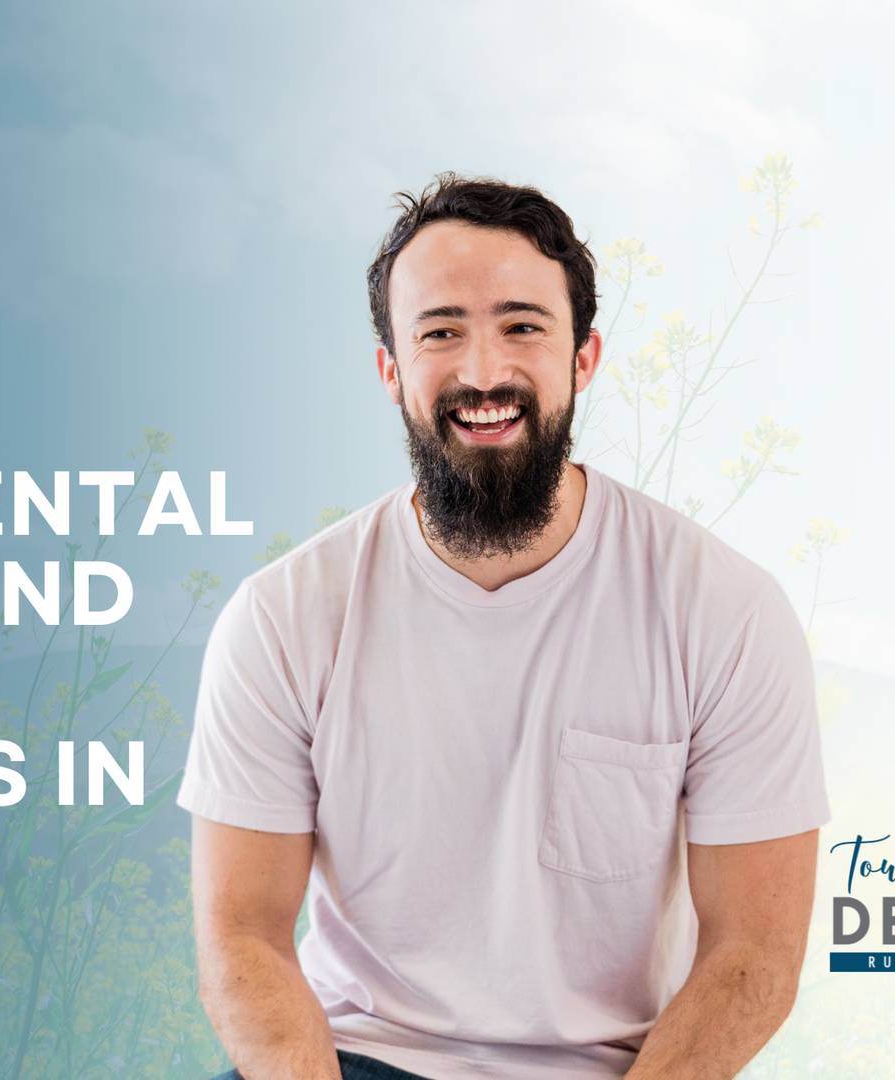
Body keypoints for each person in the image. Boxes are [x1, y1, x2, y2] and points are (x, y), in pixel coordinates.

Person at [175, 174, 828, 1080]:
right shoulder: (281, 618)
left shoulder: (726, 612)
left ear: (584, 358)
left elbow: (753, 956)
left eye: (523, 326)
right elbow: (241, 939)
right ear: (391, 369)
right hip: (351, 1061)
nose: (484, 373)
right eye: (441, 332)